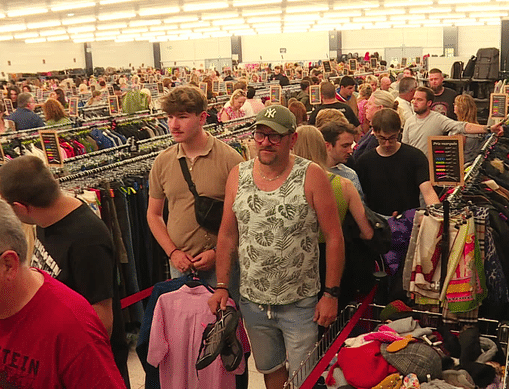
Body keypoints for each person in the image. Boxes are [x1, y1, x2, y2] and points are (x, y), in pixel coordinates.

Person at [209, 105, 344, 389]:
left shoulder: (312, 175)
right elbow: (227, 235)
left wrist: (330, 293)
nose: (265, 142)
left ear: (292, 139)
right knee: (270, 370)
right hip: (254, 302)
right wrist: (222, 285)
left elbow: (334, 236)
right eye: (260, 134)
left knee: (303, 377)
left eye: (275, 136)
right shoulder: (239, 174)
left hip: (301, 304)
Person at [0, 155, 131, 386]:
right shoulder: (46, 221)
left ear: (20, 207)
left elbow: (102, 317)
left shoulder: (88, 238)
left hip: (85, 365)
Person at [147, 86, 244, 285]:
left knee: (224, 315)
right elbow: (154, 214)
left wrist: (218, 252)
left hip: (223, 266)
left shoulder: (230, 159)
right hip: (180, 268)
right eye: (170, 117)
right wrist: (173, 253)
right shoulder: (162, 162)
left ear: (202, 118)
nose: (174, 125)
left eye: (182, 117)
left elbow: (245, 217)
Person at [357, 109, 440, 217]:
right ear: (374, 133)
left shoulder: (415, 157)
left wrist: (438, 216)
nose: (387, 144)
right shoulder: (364, 162)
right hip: (377, 222)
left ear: (398, 132)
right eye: (382, 138)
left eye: (392, 138)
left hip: (408, 220)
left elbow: (428, 191)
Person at [402, 87, 503, 157]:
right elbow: (405, 147)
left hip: (431, 172)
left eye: (419, 100)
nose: (415, 102)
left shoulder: (438, 119)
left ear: (429, 103)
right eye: (414, 99)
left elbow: (463, 126)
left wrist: (489, 128)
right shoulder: (409, 121)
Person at [319, 118, 365, 198]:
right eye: (345, 146)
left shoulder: (350, 175)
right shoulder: (313, 173)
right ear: (328, 146)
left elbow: (361, 207)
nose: (350, 151)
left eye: (351, 145)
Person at [353, 90, 397, 161]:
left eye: (370, 104)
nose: (365, 106)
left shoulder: (383, 135)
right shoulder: (373, 129)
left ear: (380, 108)